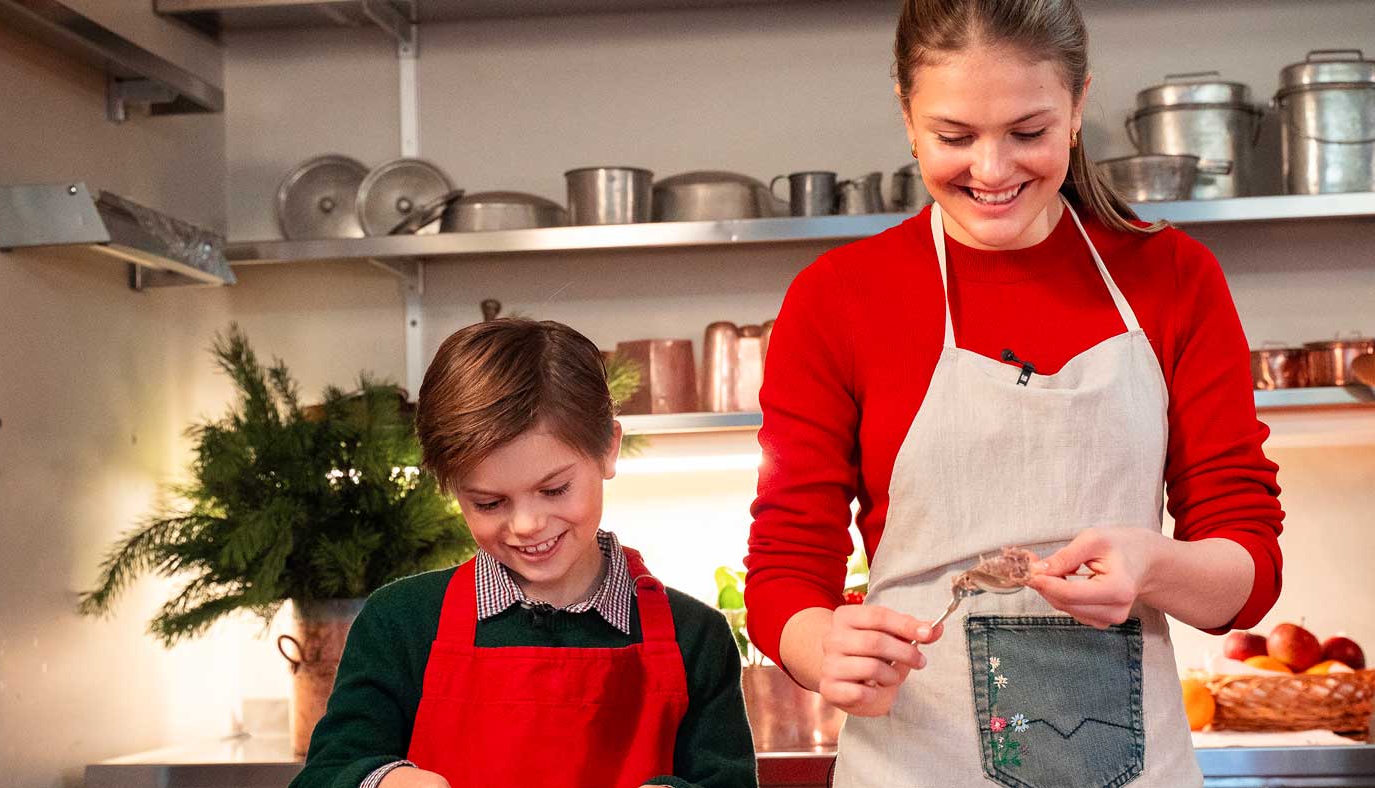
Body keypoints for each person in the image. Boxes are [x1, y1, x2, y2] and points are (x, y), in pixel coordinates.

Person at [744, 1, 1284, 786]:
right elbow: (788, 561)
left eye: (1027, 133)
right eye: (954, 137)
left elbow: (1248, 554)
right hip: (915, 761)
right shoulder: (839, 299)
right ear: (906, 115)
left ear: (1076, 108)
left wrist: (1154, 565)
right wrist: (819, 645)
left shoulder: (1172, 277)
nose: (991, 172)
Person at [292, 319, 756, 788]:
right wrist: (384, 781)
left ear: (608, 448)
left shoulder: (695, 638)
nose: (526, 525)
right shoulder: (401, 624)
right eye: (489, 503)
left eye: (554, 489)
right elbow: (325, 774)